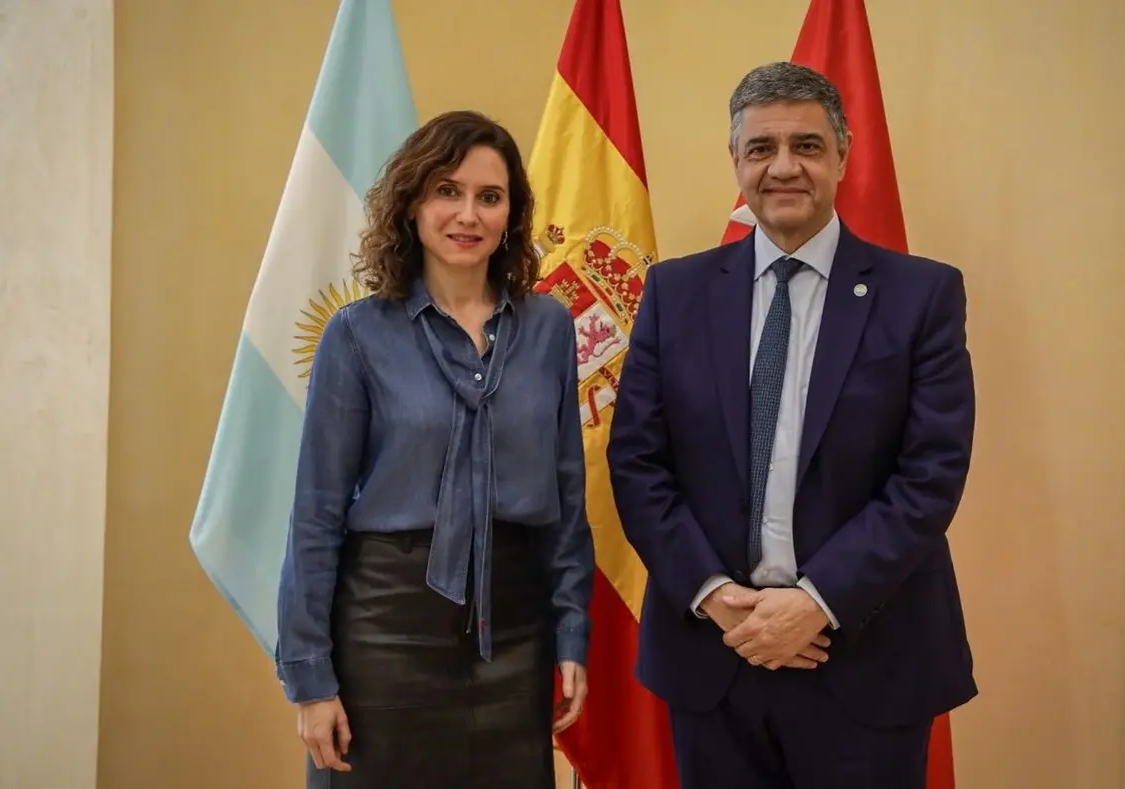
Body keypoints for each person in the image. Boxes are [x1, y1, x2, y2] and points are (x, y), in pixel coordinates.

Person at [607, 62, 977, 788]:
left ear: (843, 155)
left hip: (865, 658)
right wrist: (713, 594)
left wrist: (816, 601)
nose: (783, 167)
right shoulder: (675, 292)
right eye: (761, 148)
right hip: (715, 655)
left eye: (806, 146)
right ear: (735, 161)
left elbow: (930, 474)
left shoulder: (922, 294)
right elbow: (638, 463)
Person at [274, 110, 594, 789]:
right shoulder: (357, 334)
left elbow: (568, 500)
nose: (467, 214)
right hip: (384, 633)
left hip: (515, 631)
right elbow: (315, 515)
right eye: (447, 190)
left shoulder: (549, 329)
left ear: (511, 215)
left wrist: (571, 633)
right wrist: (310, 675)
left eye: (489, 196)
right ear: (413, 203)